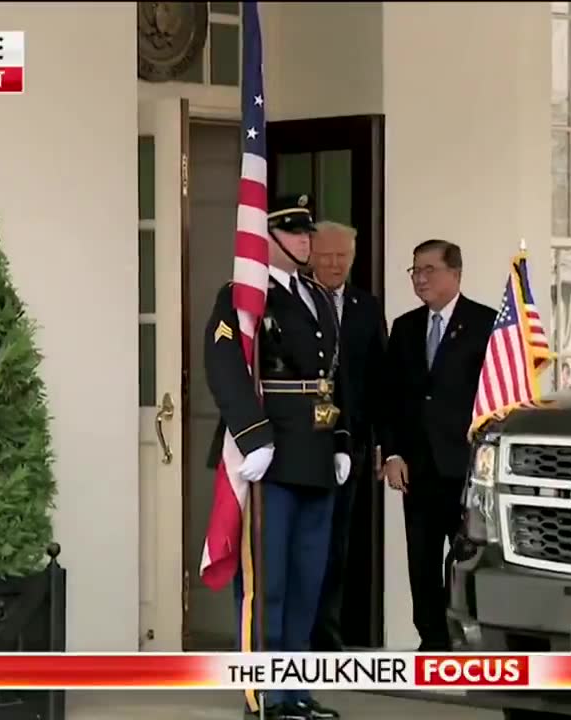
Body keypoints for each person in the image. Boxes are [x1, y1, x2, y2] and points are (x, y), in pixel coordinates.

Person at [204, 195, 350, 720]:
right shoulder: (244, 294)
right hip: (270, 456)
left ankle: (296, 690)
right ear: (265, 236)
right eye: (292, 231)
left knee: (309, 582)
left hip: (314, 454)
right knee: (267, 585)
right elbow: (224, 365)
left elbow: (334, 376)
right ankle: (262, 693)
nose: (306, 240)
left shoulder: (314, 295)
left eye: (308, 231)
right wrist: (251, 435)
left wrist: (342, 440)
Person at [381, 239, 495, 651]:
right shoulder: (406, 327)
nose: (421, 278)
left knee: (467, 560)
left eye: (430, 269)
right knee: (422, 563)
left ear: (456, 274)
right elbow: (390, 396)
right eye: (415, 271)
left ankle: (468, 644)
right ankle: (431, 643)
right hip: (418, 467)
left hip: (466, 468)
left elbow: (497, 400)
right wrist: (392, 453)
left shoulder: (486, 323)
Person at [308, 221, 387, 653]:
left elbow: (379, 378)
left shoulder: (366, 306)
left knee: (338, 544)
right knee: (305, 542)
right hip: (303, 441)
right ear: (311, 255)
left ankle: (328, 638)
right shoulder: (294, 301)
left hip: (351, 442)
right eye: (327, 255)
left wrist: (380, 443)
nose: (335, 264)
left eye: (343, 257)